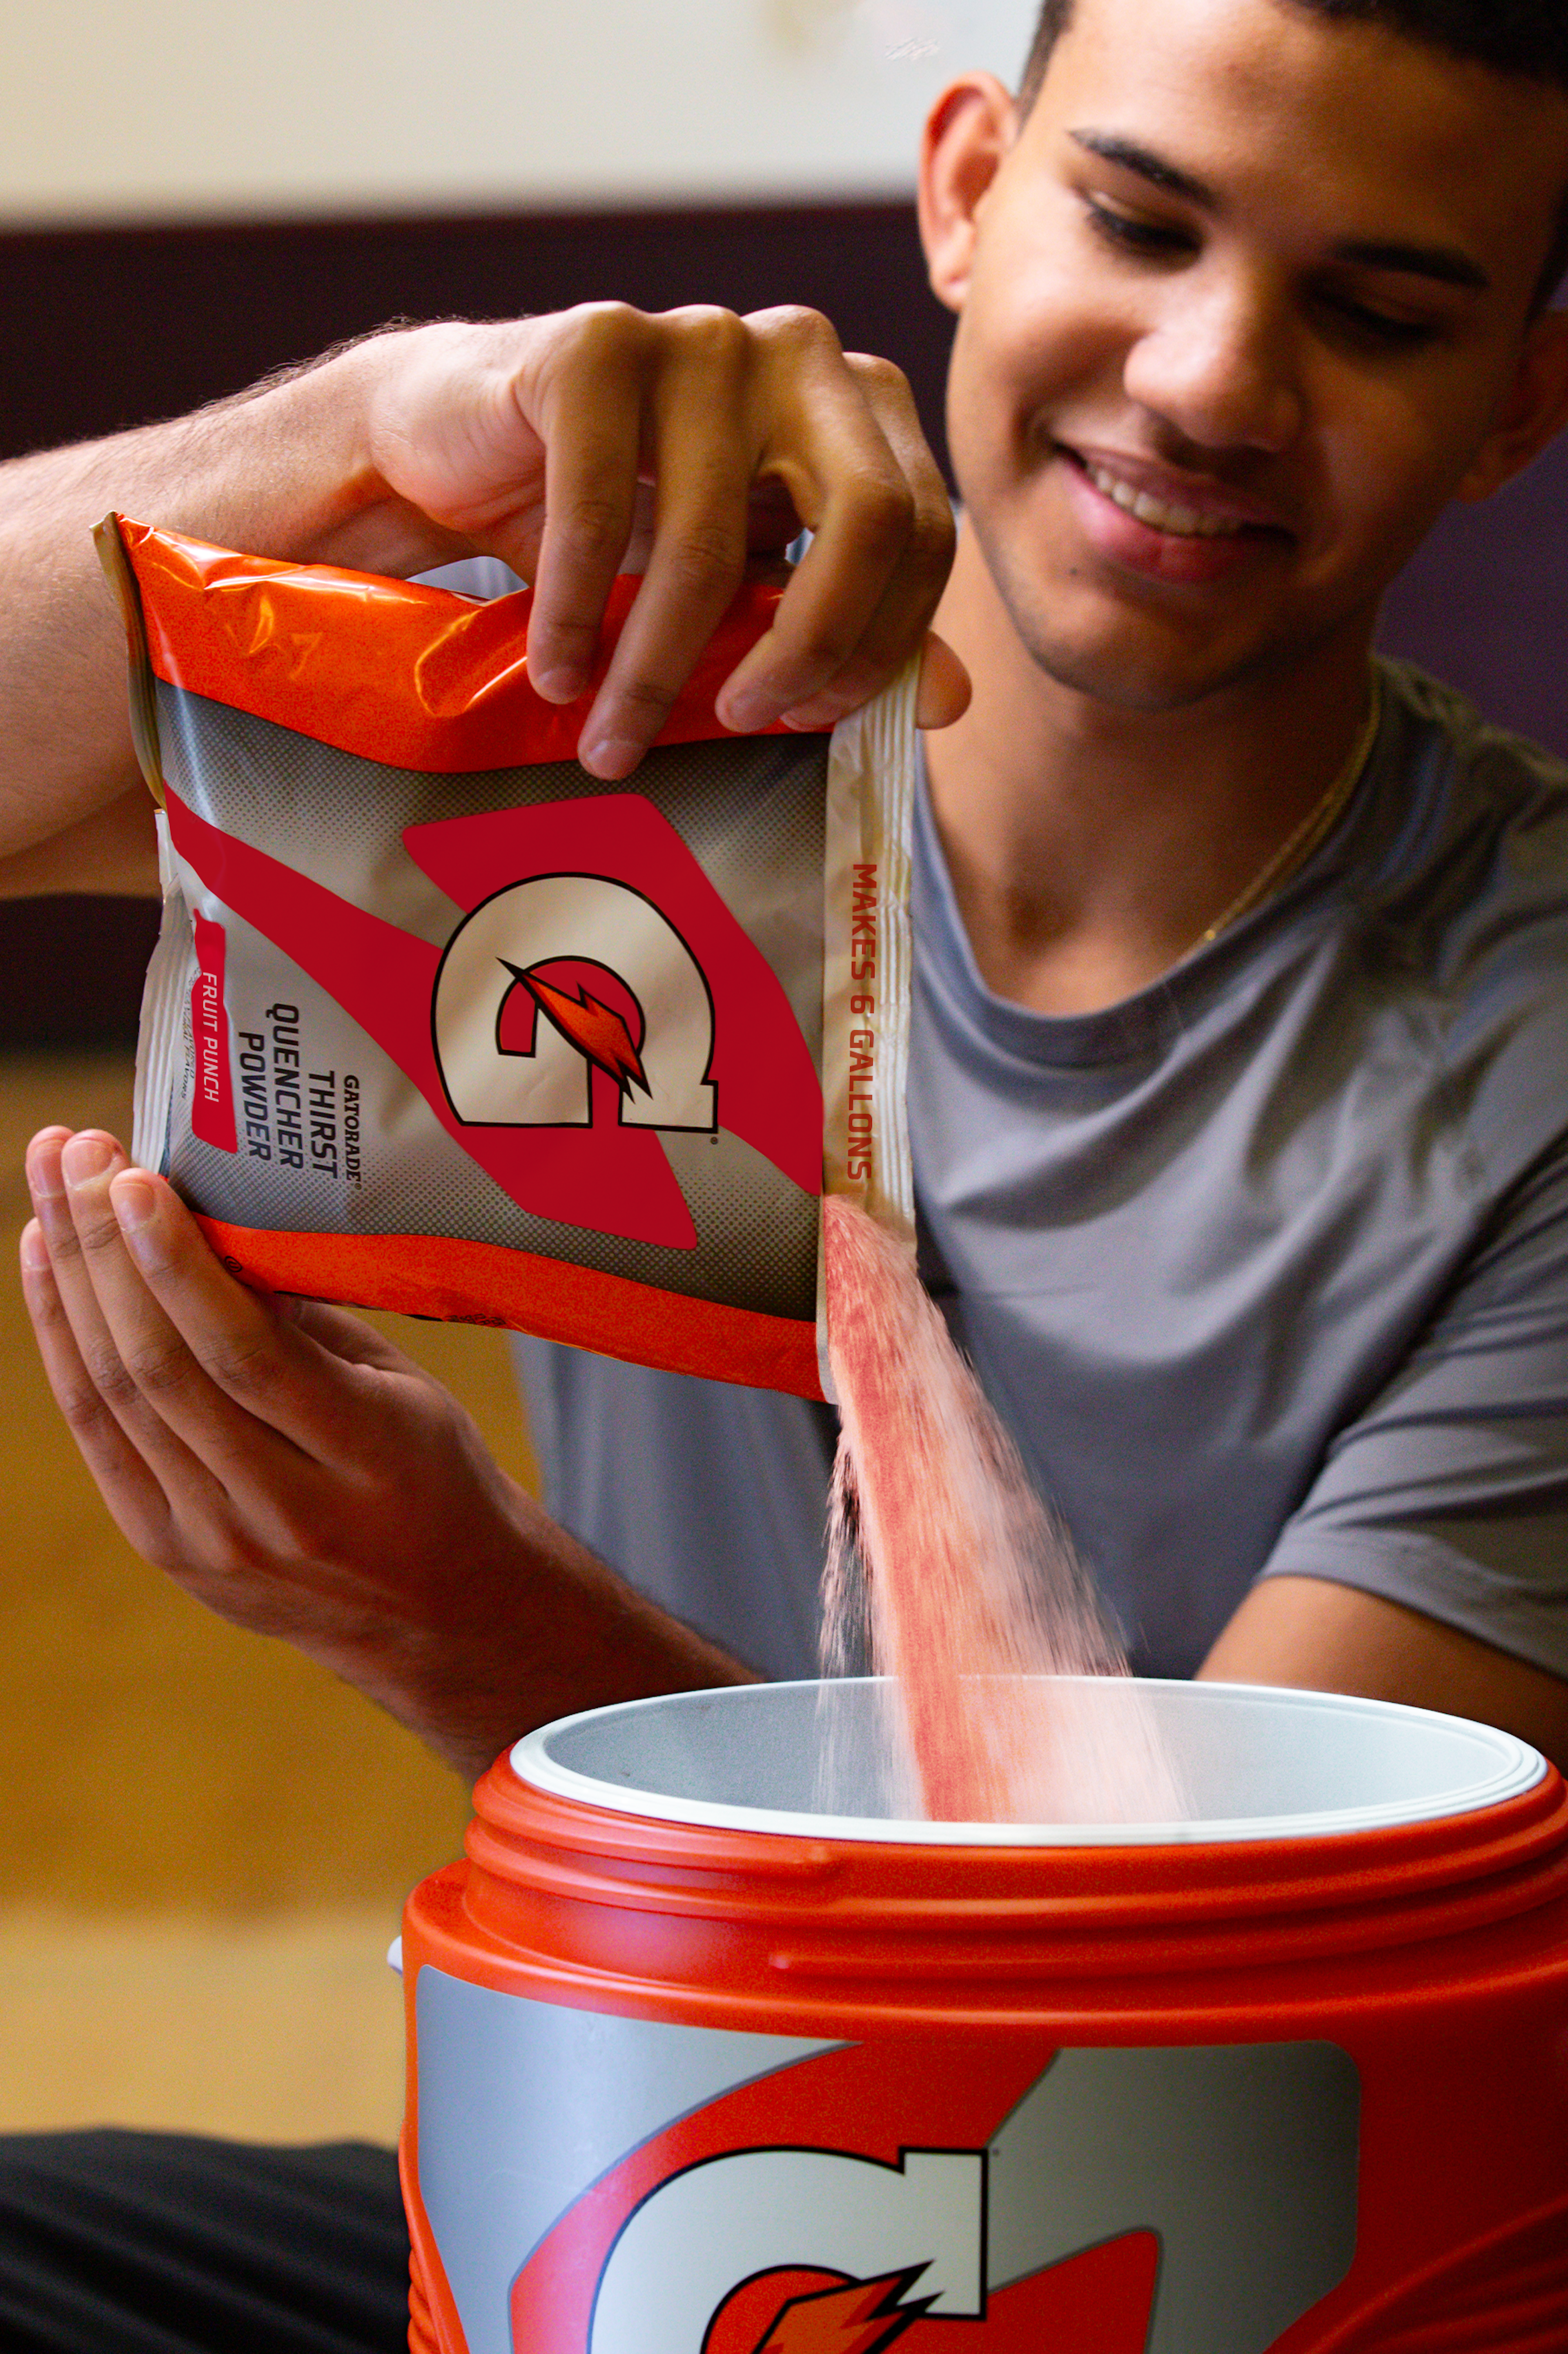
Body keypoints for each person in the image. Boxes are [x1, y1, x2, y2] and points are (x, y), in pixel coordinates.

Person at [6, 0, 1568, 2342]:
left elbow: (1172, 2060)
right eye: (1141, 221)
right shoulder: (649, 726)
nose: (1214, 379)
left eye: (1379, 310)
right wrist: (358, 438)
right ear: (964, 189)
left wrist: (447, 1614)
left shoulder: (1530, 1070)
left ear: (1513, 416)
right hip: (654, 2177)